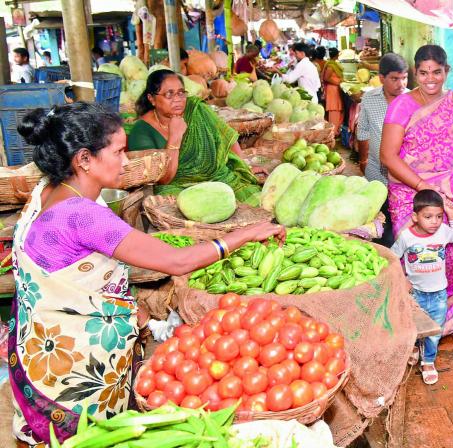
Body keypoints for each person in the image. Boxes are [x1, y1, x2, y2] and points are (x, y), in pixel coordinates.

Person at [10, 102, 285, 446]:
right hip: (71, 369)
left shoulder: (47, 191)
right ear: (83, 159)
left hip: (36, 351)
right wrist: (243, 234)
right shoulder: (84, 216)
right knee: (84, 439)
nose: (126, 161)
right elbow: (177, 262)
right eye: (119, 151)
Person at [380, 44, 453, 345]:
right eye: (423, 72)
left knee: (447, 257)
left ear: (446, 71)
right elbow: (387, 156)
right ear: (415, 73)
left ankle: (446, 321)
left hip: (450, 192)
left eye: (437, 72)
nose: (430, 79)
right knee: (418, 258)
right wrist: (425, 187)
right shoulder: (402, 105)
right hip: (412, 195)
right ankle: (416, 325)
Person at [127, 70, 264, 206]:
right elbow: (164, 179)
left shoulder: (194, 109)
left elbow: (225, 134)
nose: (178, 99)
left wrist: (246, 165)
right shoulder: (141, 131)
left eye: (181, 92)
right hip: (177, 188)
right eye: (169, 94)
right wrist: (175, 137)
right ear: (152, 99)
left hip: (217, 178)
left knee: (256, 202)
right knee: (180, 207)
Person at [391, 190, 453, 385]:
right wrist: (402, 280)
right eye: (428, 217)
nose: (434, 221)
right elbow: (391, 257)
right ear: (415, 217)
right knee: (412, 325)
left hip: (439, 294)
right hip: (415, 293)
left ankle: (428, 361)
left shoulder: (443, 231)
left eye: (438, 216)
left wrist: (451, 213)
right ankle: (414, 347)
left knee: (435, 330)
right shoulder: (407, 237)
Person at [357, 53, 409, 248]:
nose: (401, 83)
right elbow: (362, 131)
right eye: (395, 79)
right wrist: (362, 161)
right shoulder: (370, 99)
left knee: (403, 221)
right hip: (376, 172)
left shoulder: (412, 100)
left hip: (404, 174)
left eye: (404, 77)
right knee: (380, 220)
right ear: (382, 78)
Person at [322, 48, 345, 135]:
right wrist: (338, 83)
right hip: (332, 89)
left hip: (334, 89)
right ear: (336, 55)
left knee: (337, 110)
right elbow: (326, 78)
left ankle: (335, 132)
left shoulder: (333, 64)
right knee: (334, 110)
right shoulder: (331, 65)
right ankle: (332, 133)